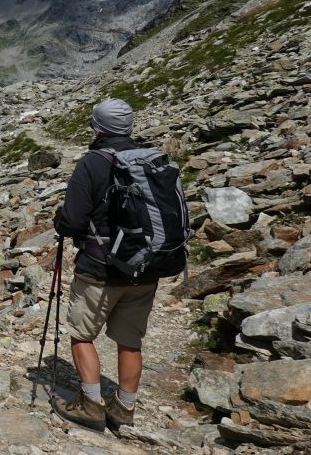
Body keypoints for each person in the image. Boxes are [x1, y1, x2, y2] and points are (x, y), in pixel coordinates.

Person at [51, 98, 185, 432]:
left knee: (82, 334)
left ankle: (91, 404)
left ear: (97, 127)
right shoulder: (152, 162)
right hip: (147, 267)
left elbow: (71, 221)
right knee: (130, 341)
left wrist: (59, 222)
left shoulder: (93, 164)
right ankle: (124, 407)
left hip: (100, 270)